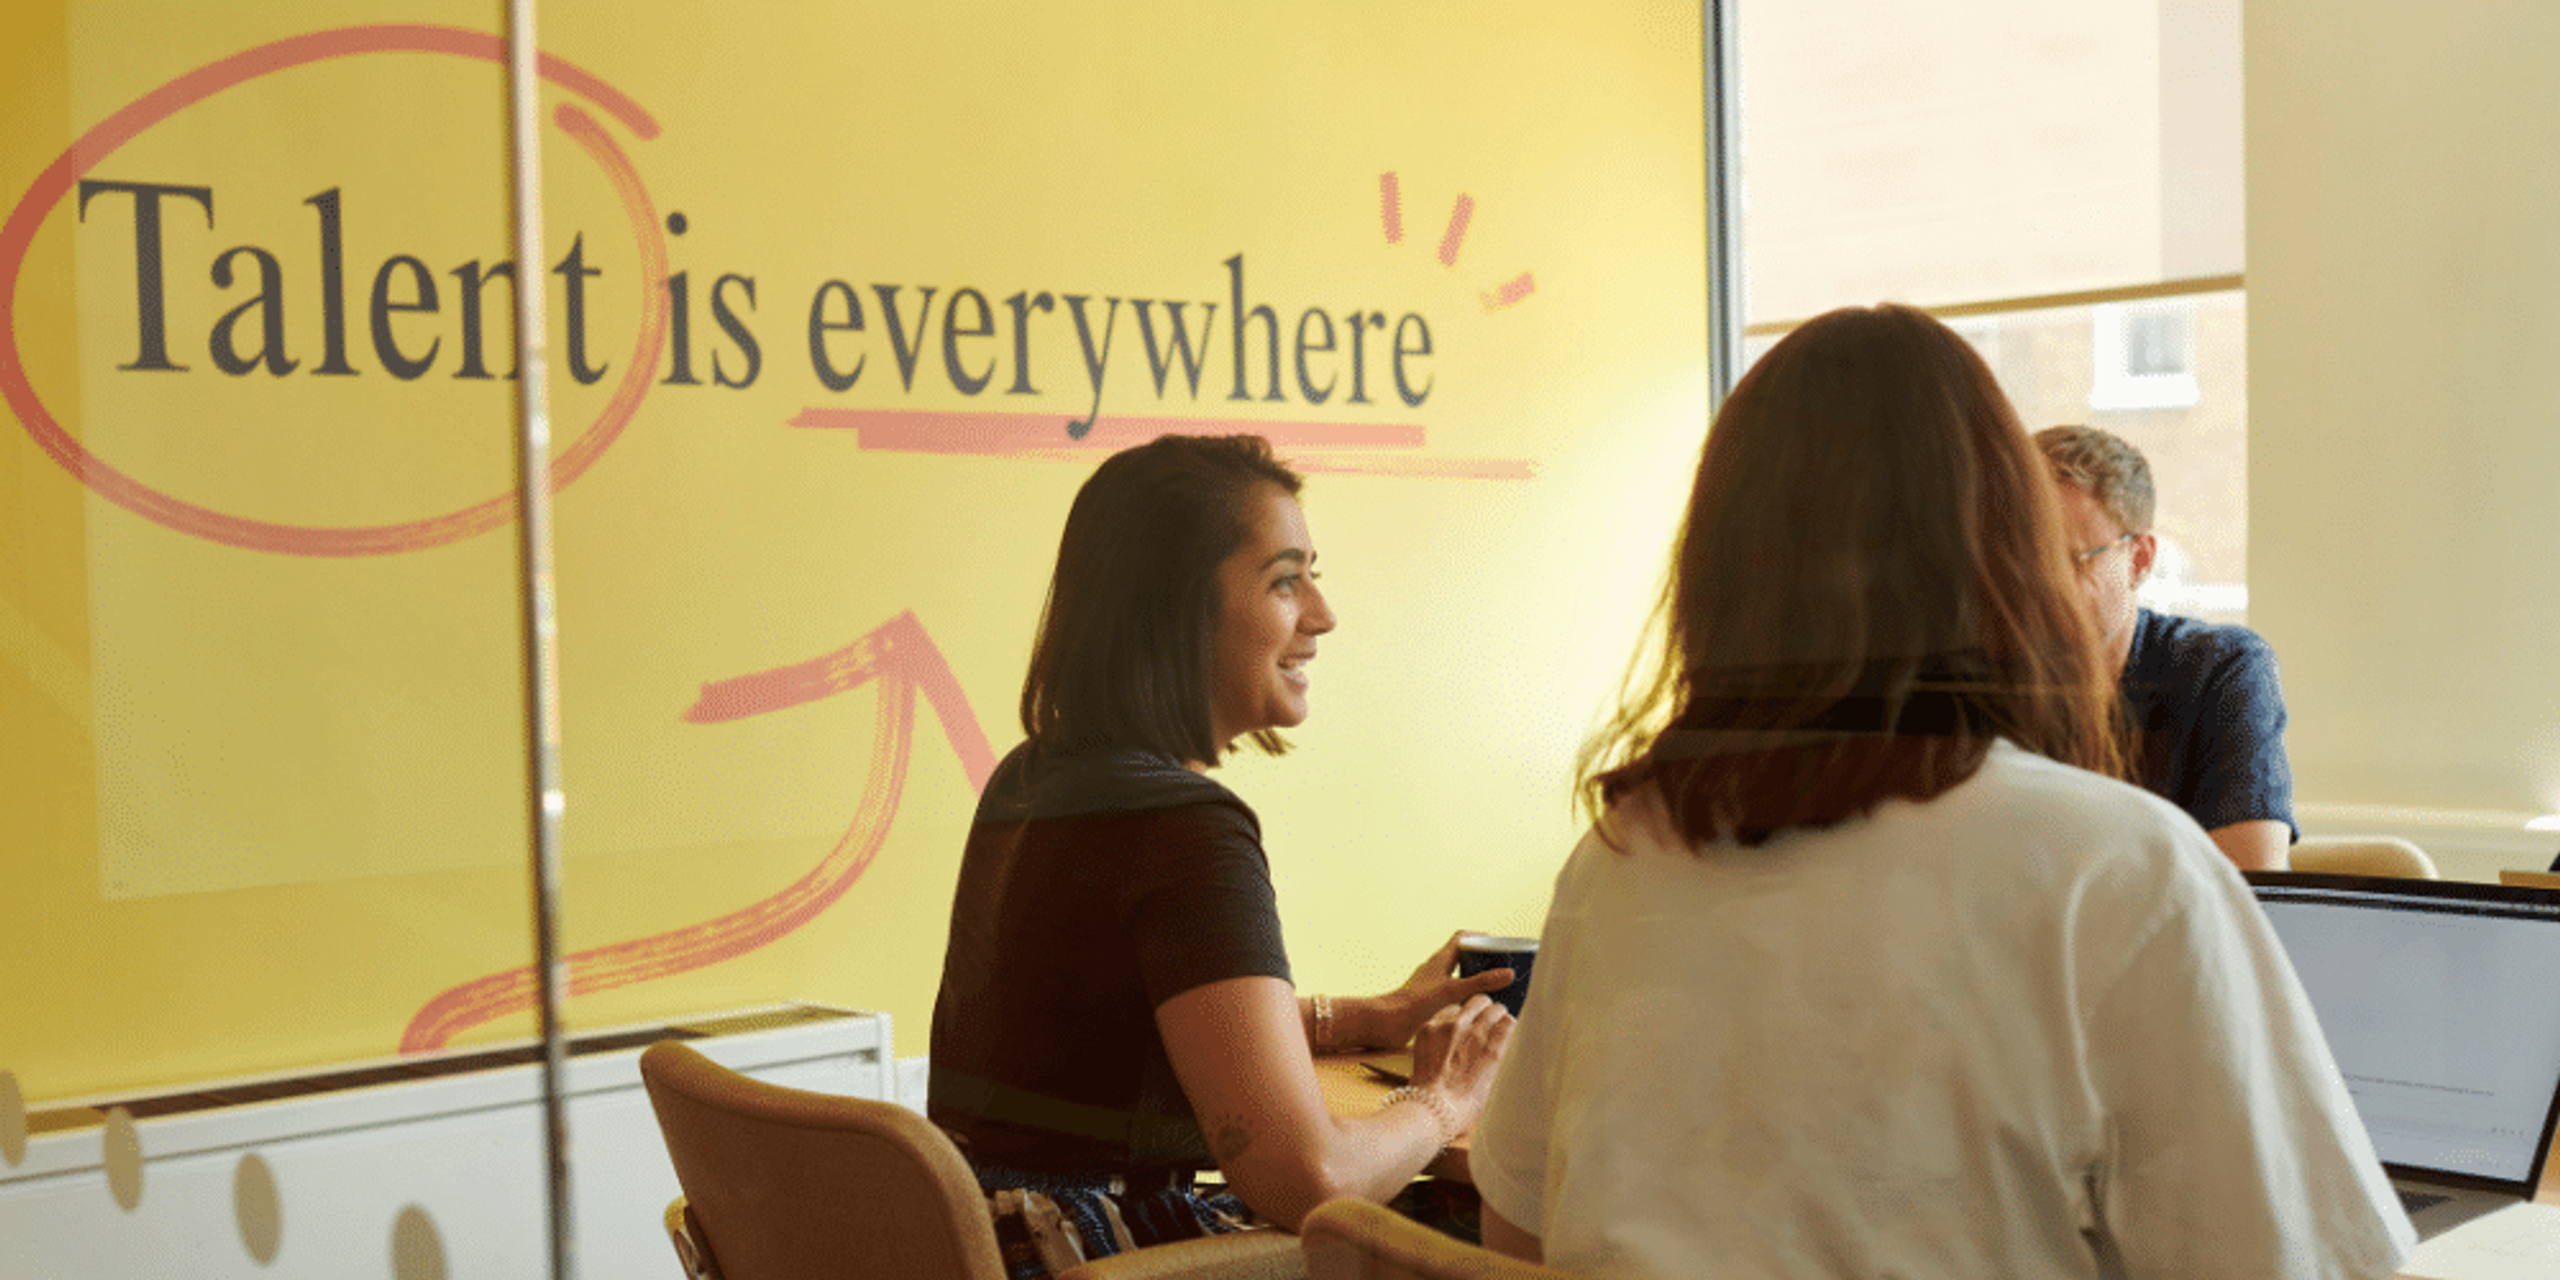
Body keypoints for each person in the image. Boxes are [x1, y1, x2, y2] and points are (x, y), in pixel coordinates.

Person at [1469, 304, 2411, 1279]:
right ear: (2009, 556)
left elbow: (1517, 1235)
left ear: (1720, 570)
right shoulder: (2116, 868)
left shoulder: (1619, 861)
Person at [928, 433, 1515, 1269]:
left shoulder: (1035, 779)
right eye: (1284, 581)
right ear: (1178, 611)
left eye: (1316, 574)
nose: (1322, 614)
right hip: (1092, 1255)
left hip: (992, 1240)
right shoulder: (1186, 825)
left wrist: (1358, 1019)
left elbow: (1125, 1035)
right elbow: (1307, 1178)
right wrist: (1442, 1099)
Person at [2036, 423, 2294, 871]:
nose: (2034, 584)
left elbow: (2251, 895)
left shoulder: (2220, 671)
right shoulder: (1980, 683)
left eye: (2064, 560)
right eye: (2018, 558)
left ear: (2138, 561)